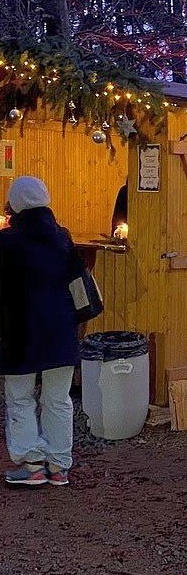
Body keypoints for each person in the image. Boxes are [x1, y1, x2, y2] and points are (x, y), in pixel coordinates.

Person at [0, 176, 80, 486]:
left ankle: (32, 466)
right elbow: (76, 281)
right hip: (60, 330)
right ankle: (58, 466)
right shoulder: (62, 238)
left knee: (20, 398)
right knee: (58, 400)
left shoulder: (5, 242)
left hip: (19, 333)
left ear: (15, 204)